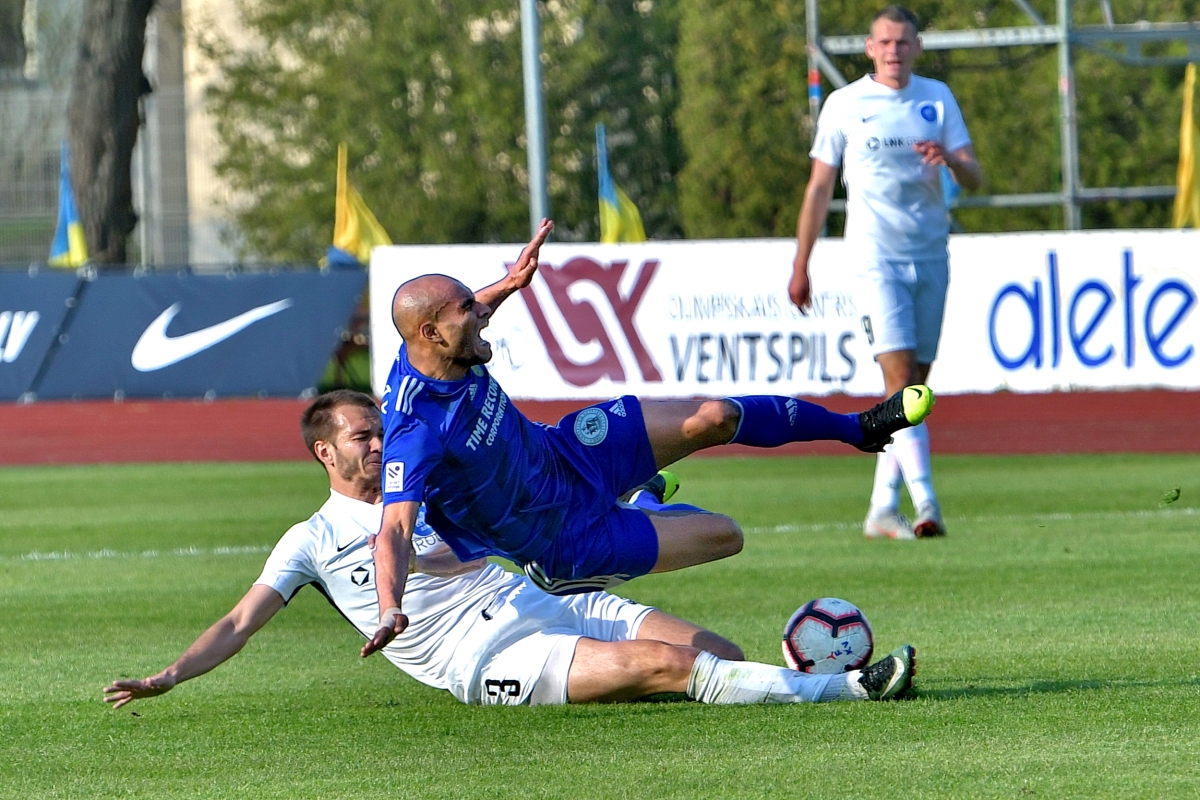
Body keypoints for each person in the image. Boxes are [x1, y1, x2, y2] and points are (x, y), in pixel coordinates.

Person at [103, 391, 917, 710]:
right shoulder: (309, 541)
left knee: (719, 655)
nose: (379, 442)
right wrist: (169, 675)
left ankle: (645, 518)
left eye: (381, 430)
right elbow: (238, 622)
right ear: (325, 453)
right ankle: (852, 689)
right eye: (361, 436)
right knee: (668, 668)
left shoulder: (427, 488)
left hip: (552, 604)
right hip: (489, 659)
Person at [367, 218, 934, 654]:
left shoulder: (441, 343)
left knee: (714, 416)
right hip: (564, 540)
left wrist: (511, 283)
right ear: (432, 334)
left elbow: (471, 310)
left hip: (568, 453)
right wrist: (389, 606)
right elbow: (393, 528)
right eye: (469, 308)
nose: (482, 313)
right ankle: (642, 502)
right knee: (726, 535)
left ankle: (858, 428)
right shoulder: (416, 429)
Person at [789, 5, 983, 541]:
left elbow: (974, 176)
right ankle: (928, 505)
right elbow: (819, 188)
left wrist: (951, 160)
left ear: (917, 47)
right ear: (870, 48)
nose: (894, 50)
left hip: (932, 255)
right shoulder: (845, 104)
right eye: (885, 42)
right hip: (874, 258)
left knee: (915, 389)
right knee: (901, 384)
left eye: (903, 42)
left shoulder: (936, 98)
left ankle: (880, 508)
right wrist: (801, 262)